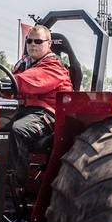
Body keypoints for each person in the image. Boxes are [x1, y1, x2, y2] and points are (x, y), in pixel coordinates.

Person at [8, 25, 72, 194]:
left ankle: (13, 189)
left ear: (49, 43)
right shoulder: (22, 65)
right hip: (25, 112)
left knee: (17, 131)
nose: (32, 45)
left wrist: (8, 82)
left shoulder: (54, 66)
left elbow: (32, 81)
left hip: (49, 115)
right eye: (29, 41)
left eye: (38, 41)